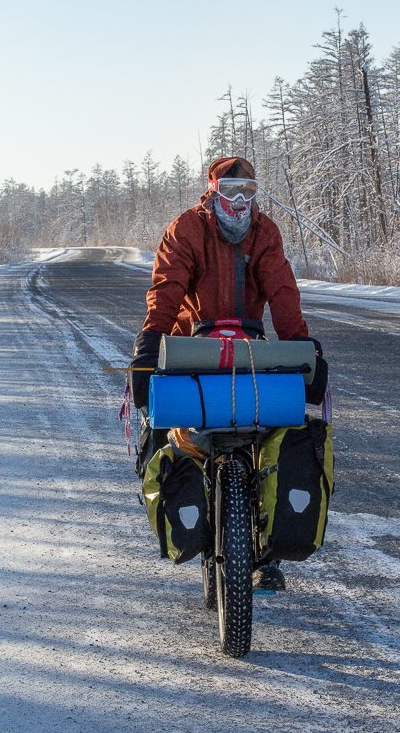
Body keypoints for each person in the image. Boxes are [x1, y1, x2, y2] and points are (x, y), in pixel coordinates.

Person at [131, 155, 327, 590]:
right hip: (191, 346)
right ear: (213, 190)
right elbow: (166, 289)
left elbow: (282, 290)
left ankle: (264, 545)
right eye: (231, 192)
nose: (240, 202)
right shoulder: (187, 229)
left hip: (248, 345)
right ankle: (192, 518)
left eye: (249, 192)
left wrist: (302, 344)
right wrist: (151, 341)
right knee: (178, 431)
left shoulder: (265, 232)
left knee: (270, 430)